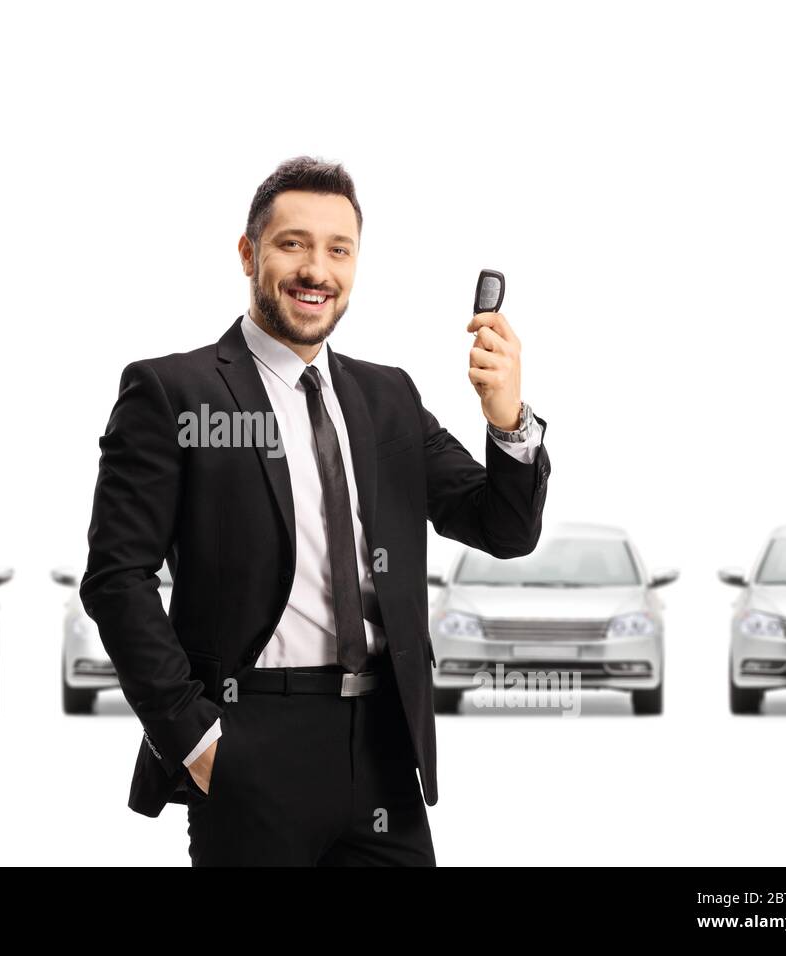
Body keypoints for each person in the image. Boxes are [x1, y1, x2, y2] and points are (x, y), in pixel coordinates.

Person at [80, 155, 551, 865]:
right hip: (249, 738)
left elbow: (504, 528)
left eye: (339, 250)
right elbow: (117, 579)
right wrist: (197, 740)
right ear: (249, 253)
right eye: (292, 243)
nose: (316, 271)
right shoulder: (173, 393)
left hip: (385, 747)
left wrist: (506, 415)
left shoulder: (386, 396)